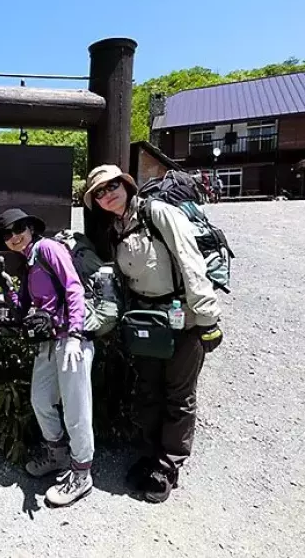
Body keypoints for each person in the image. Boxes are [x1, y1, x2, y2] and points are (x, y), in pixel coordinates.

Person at [82, 165, 223, 503]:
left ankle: (169, 463)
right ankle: (149, 455)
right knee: (147, 389)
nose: (107, 195)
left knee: (178, 392)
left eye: (112, 186)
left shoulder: (158, 213)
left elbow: (191, 263)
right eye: (99, 193)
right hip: (145, 320)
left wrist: (207, 319)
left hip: (182, 317)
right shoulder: (118, 227)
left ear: (126, 185)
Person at [0, 208, 95, 507]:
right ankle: (58, 455)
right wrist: (7, 286)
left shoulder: (49, 249)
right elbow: (23, 308)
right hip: (48, 344)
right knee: (40, 400)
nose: (13, 237)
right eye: (7, 235)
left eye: (18, 228)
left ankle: (82, 473)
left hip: (71, 342)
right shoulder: (28, 264)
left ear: (31, 227)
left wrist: (75, 333)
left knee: (76, 410)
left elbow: (74, 288)